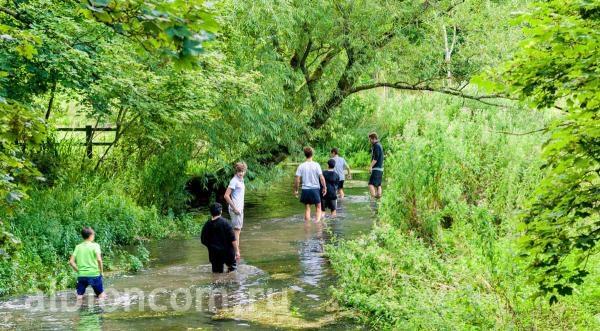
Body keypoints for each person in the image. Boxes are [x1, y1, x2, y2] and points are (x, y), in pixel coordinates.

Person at [69, 227, 106, 300]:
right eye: (93, 235)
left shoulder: (78, 247)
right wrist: (101, 272)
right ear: (91, 235)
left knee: (79, 296)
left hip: (82, 276)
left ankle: (80, 308)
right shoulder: (95, 245)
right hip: (94, 275)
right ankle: (99, 308)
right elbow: (99, 259)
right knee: (102, 296)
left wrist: (78, 271)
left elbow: (71, 262)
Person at [201, 203, 239, 273]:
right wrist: (237, 251)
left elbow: (203, 240)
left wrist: (211, 247)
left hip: (214, 254)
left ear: (211, 212)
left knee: (217, 274)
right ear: (221, 211)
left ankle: (217, 283)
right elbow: (233, 239)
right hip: (228, 253)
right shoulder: (226, 223)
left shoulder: (207, 224)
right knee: (232, 271)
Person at [294, 146, 327, 222]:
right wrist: (325, 187)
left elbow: (297, 180)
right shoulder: (316, 165)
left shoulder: (301, 166)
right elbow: (321, 178)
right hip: (315, 189)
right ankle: (317, 225)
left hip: (305, 190)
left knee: (307, 209)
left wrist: (296, 190)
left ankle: (307, 226)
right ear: (312, 154)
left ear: (305, 154)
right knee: (318, 208)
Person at [223, 162, 246, 260]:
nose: (241, 173)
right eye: (239, 171)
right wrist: (234, 208)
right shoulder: (234, 181)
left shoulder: (241, 180)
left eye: (242, 171)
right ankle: (236, 253)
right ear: (236, 171)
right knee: (236, 231)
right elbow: (226, 196)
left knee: (237, 230)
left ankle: (234, 252)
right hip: (236, 209)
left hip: (239, 209)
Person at [368, 132, 384, 199]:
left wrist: (370, 166)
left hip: (376, 168)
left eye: (370, 139)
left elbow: (375, 158)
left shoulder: (376, 146)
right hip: (380, 169)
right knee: (378, 185)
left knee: (370, 184)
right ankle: (379, 198)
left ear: (373, 138)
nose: (369, 141)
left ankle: (373, 199)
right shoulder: (379, 145)